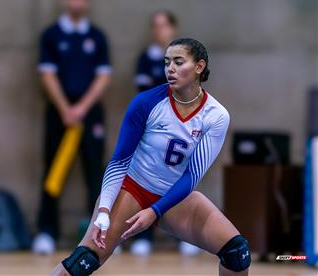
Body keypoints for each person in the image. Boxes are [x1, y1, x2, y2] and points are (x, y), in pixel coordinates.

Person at [51, 38, 251, 276]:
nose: (170, 69)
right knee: (83, 261)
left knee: (237, 252)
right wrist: (104, 209)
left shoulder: (216, 115)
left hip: (174, 196)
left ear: (199, 67)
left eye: (178, 62)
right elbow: (118, 162)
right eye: (167, 63)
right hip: (133, 188)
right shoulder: (146, 102)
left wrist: (155, 211)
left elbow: (193, 175)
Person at [33, 0, 111, 255]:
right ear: (66, 0)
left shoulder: (97, 37)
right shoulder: (52, 35)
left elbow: (103, 76)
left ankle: (100, 234)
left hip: (90, 115)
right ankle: (46, 232)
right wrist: (66, 108)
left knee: (96, 173)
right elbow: (47, 74)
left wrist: (82, 108)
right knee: (53, 170)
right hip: (60, 114)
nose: (79, 2)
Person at [130, 10, 178, 256]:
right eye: (155, 26)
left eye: (164, 26)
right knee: (146, 181)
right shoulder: (145, 59)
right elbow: (144, 95)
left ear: (173, 29)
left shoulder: (183, 59)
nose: (160, 31)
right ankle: (143, 235)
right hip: (152, 130)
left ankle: (185, 237)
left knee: (177, 181)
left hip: (179, 131)